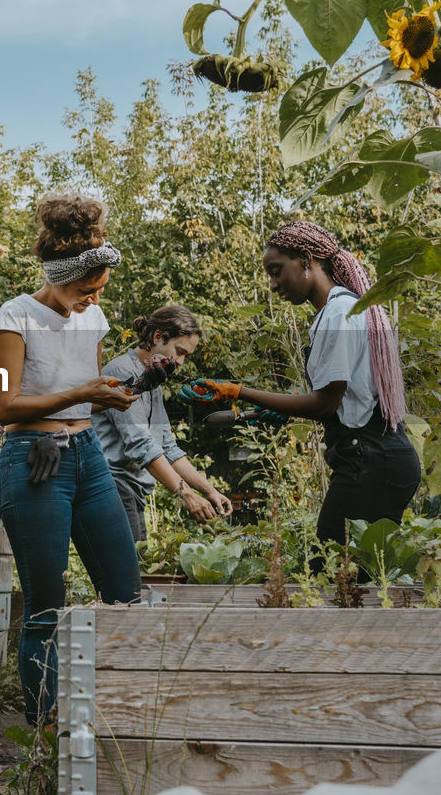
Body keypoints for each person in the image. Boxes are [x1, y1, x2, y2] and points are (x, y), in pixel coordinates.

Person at [0, 194, 140, 725]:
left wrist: (112, 395)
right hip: (35, 460)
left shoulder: (92, 317)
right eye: (82, 291)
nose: (92, 301)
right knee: (46, 609)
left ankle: (115, 725)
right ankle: (46, 741)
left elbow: (89, 392)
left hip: (87, 455)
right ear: (55, 277)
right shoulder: (16, 316)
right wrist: (82, 393)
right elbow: (5, 406)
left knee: (126, 595)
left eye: (99, 291)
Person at [178, 219, 420, 550]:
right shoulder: (340, 309)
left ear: (306, 260)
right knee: (358, 577)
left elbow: (326, 403)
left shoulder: (339, 313)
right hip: (379, 458)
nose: (273, 284)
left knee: (332, 567)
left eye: (277, 271)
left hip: (370, 462)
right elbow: (349, 400)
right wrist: (285, 410)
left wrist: (238, 391)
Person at [92, 305, 233, 541]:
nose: (180, 362)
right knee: (129, 573)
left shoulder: (153, 380)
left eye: (186, 355)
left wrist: (210, 492)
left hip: (131, 492)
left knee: (137, 569)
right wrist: (187, 495)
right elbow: (141, 444)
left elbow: (168, 447)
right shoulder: (121, 372)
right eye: (179, 351)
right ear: (157, 337)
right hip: (112, 488)